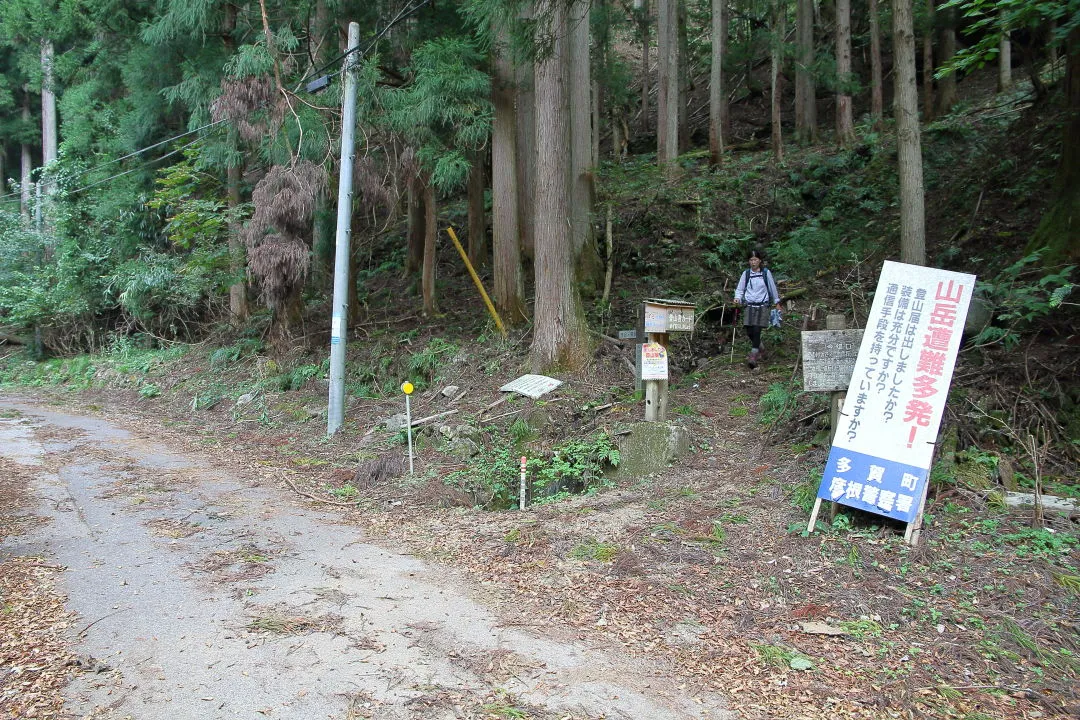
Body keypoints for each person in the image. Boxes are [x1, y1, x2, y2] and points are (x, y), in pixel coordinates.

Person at [733, 249, 781, 368]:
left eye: (755, 260)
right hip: (749, 305)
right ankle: (762, 349)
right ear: (748, 261)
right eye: (751, 260)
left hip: (762, 305)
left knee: (757, 329)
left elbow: (772, 288)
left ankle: (753, 355)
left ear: (760, 260)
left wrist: (777, 302)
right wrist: (737, 298)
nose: (753, 262)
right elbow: (740, 288)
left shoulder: (765, 273)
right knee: (749, 331)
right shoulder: (746, 274)